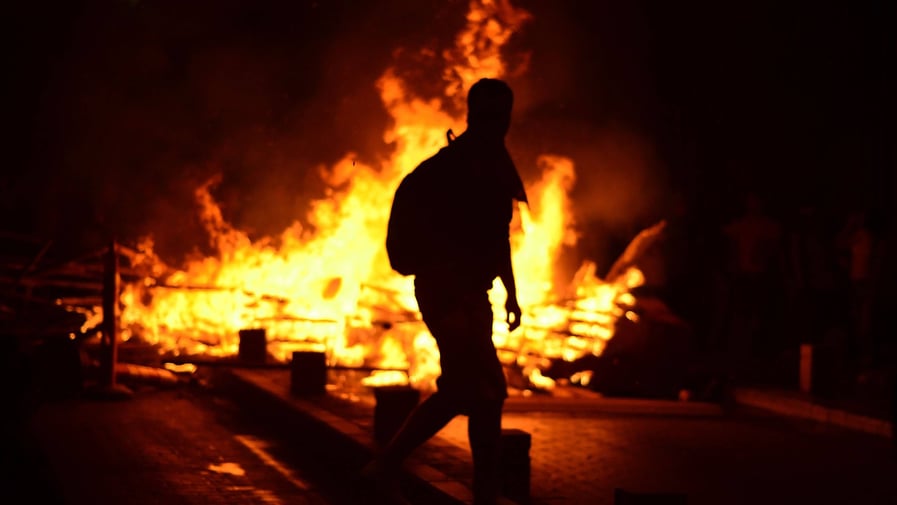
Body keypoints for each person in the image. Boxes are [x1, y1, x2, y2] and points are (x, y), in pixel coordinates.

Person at [365, 78, 527, 505]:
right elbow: (482, 237)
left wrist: (510, 294)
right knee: (472, 389)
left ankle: (481, 490)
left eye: (502, 115)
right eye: (490, 115)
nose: (498, 123)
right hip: (448, 293)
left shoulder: (490, 163)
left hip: (473, 294)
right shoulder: (458, 168)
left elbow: (499, 238)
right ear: (472, 115)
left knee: (483, 393)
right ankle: (388, 465)